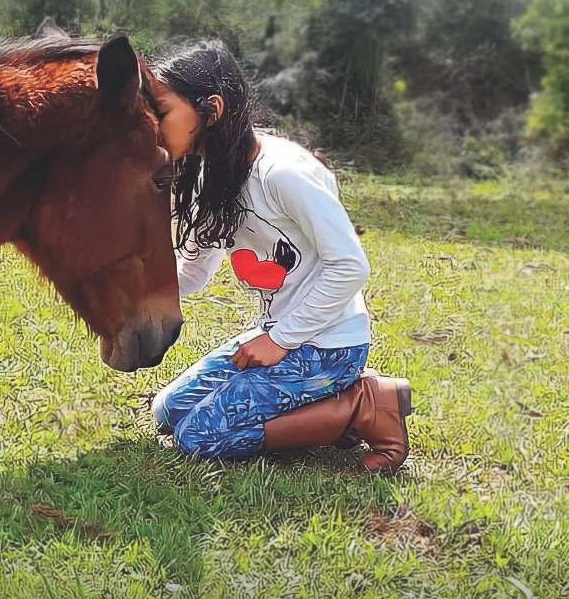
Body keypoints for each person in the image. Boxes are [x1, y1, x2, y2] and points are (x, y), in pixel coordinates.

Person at [148, 40, 412, 474]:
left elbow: (350, 266)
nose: (153, 127)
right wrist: (136, 290)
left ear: (212, 110)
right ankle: (322, 402)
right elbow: (194, 273)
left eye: (162, 113)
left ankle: (362, 406)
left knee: (199, 436)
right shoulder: (210, 175)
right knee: (167, 411)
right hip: (277, 334)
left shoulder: (283, 174)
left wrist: (278, 341)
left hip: (329, 347)